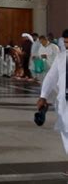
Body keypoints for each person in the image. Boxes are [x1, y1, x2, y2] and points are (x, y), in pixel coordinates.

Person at [37, 29, 68, 167]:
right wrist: (43, 96)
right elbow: (51, 77)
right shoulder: (61, 57)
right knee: (65, 131)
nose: (67, 45)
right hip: (64, 101)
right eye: (66, 42)